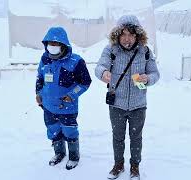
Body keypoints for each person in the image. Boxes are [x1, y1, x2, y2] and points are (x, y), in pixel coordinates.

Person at [95, 15, 160, 179]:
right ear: (118, 34)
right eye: (123, 34)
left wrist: (148, 78)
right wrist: (104, 73)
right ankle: (118, 164)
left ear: (137, 35)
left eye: (131, 35)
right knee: (117, 137)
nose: (127, 39)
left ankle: (134, 166)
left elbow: (155, 73)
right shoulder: (111, 50)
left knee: (136, 138)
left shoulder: (144, 51)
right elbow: (99, 67)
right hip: (116, 104)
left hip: (138, 105)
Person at [35, 26, 92, 170]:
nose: (52, 47)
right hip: (48, 106)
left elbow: (85, 82)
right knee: (53, 130)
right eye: (50, 44)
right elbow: (40, 77)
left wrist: (71, 95)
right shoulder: (45, 59)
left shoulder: (76, 61)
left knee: (69, 131)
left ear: (63, 44)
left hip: (67, 107)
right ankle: (59, 153)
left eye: (55, 44)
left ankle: (74, 156)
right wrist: (38, 93)